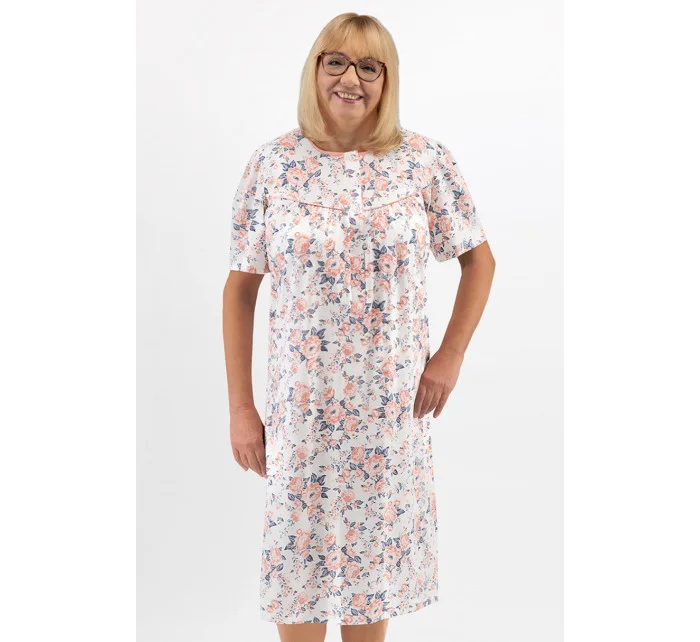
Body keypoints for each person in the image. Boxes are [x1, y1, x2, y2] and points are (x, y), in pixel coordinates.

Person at [222, 12, 496, 642]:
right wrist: (242, 408)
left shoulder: (424, 162)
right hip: (301, 413)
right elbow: (240, 290)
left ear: (387, 80)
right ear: (315, 69)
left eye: (370, 66)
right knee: (298, 569)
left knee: (372, 574)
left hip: (389, 413)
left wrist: (449, 356)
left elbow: (479, 260)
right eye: (337, 62)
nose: (352, 78)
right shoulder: (272, 165)